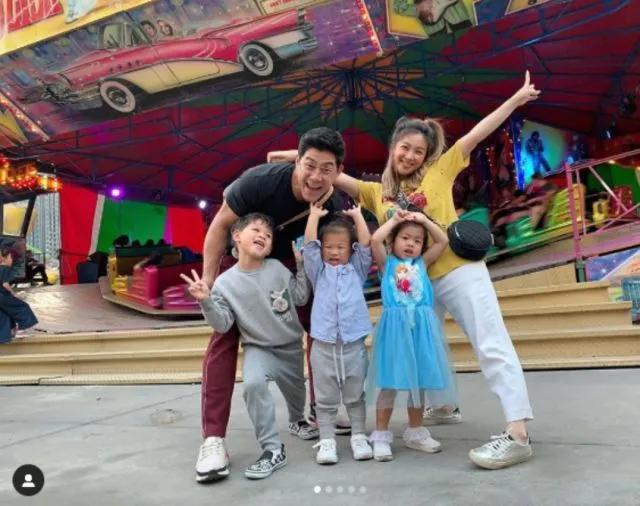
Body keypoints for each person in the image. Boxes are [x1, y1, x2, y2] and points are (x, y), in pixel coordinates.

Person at [267, 71, 540, 470]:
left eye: (419, 151)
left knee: (490, 341)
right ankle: (443, 407)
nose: (410, 156)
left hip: (458, 270)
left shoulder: (440, 170)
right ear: (393, 147)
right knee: (422, 350)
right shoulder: (376, 192)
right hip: (414, 287)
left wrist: (515, 100)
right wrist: (293, 156)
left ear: (428, 156)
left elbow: (477, 133)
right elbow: (330, 171)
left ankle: (518, 433)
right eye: (405, 147)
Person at [197, 127, 349, 484]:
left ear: (338, 171)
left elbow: (328, 254)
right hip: (245, 258)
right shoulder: (259, 182)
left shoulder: (332, 205)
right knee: (223, 338)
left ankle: (320, 408)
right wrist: (209, 279)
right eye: (309, 165)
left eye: (326, 169)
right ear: (297, 162)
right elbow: (220, 226)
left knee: (321, 324)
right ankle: (213, 438)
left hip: (291, 266)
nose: (316, 177)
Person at [182, 213, 310, 480]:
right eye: (256, 230)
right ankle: (272, 449)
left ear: (271, 247)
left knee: (297, 395)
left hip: (290, 346)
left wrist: (301, 267)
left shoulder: (277, 268)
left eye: (268, 235)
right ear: (237, 236)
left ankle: (297, 419)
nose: (263, 235)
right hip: (258, 348)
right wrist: (206, 301)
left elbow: (299, 297)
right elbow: (223, 323)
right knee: (253, 385)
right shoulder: (224, 283)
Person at [367, 207, 456, 461]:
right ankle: (381, 434)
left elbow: (443, 241)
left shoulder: (422, 264)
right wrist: (395, 220)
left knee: (420, 382)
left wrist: (425, 220)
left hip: (421, 329)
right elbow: (375, 240)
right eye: (404, 238)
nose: (410, 244)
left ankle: (416, 431)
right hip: (395, 331)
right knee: (389, 382)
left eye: (417, 241)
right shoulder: (387, 264)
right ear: (393, 240)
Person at [302, 203, 373, 465]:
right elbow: (310, 247)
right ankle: (327, 440)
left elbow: (365, 245)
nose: (334, 252)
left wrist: (357, 217)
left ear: (350, 249)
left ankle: (359, 436)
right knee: (325, 398)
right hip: (323, 345)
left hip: (353, 344)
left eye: (340, 247)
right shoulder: (318, 271)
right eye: (329, 247)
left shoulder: (357, 269)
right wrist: (313, 216)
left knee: (355, 395)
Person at [0, 248, 38, 342]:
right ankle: (21, 330)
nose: (12, 260)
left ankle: (8, 333)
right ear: (5, 258)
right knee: (22, 307)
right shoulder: (6, 268)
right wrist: (13, 293)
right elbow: (5, 284)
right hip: (3, 296)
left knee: (6, 313)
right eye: (11, 257)